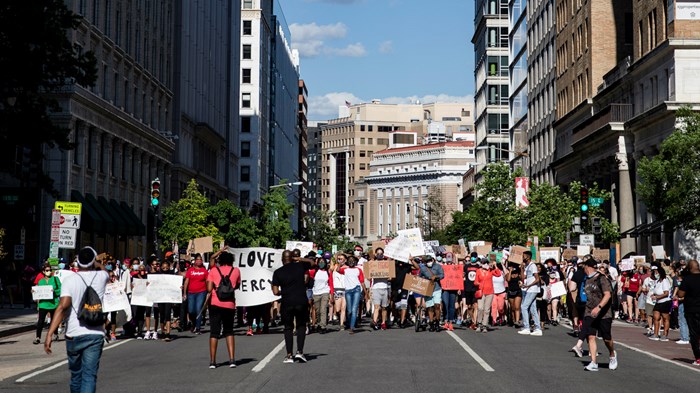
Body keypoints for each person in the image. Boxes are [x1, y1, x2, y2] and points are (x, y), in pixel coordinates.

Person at [44, 246, 110, 393]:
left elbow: (63, 306)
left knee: (76, 376)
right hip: (95, 333)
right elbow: (105, 271)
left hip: (74, 332)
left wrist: (50, 334)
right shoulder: (101, 277)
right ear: (92, 262)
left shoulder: (69, 280)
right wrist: (98, 262)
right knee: (89, 376)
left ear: (77, 262)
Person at [272, 250, 310, 363]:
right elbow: (312, 262)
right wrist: (300, 259)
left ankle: (289, 355)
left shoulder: (278, 272)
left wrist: (281, 293)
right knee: (301, 326)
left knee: (288, 328)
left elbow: (275, 291)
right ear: (292, 258)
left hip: (287, 302)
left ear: (282, 260)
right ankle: (300, 352)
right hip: (301, 301)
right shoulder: (300, 267)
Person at [580, 259, 617, 371]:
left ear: (588, 266)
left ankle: (612, 354)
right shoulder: (587, 280)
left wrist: (599, 307)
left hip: (604, 313)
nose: (583, 269)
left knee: (606, 338)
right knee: (590, 336)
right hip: (589, 311)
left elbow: (607, 295)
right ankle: (593, 362)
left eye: (584, 267)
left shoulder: (601, 278)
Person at [206, 251, 240, 369]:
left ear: (220, 261)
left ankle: (212, 361)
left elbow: (209, 288)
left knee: (214, 332)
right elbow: (236, 285)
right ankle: (232, 359)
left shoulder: (214, 271)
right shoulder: (236, 271)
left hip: (215, 303)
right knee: (229, 331)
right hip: (230, 304)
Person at [335, 255, 368, 333]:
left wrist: (366, 293)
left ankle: (352, 327)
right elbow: (337, 270)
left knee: (354, 309)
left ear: (356, 262)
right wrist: (339, 262)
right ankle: (350, 323)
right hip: (348, 291)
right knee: (349, 310)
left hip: (356, 290)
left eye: (353, 260)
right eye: (349, 260)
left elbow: (362, 282)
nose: (351, 261)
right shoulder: (345, 270)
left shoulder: (358, 270)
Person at [412, 255, 444, 332]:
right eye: (427, 261)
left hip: (436, 288)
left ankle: (437, 322)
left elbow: (442, 275)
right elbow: (420, 276)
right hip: (428, 289)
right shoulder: (423, 268)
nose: (429, 262)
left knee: (437, 305)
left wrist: (436, 277)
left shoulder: (438, 266)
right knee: (430, 307)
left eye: (430, 260)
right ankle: (431, 322)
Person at [676, 259, 700, 366]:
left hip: (691, 309)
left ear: (689, 268)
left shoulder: (687, 279)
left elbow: (680, 294)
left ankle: (698, 358)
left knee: (694, 334)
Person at [33, 264, 61, 345]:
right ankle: (38, 337)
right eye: (47, 270)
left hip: (53, 303)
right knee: (40, 321)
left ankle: (55, 334)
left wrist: (54, 291)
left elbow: (61, 289)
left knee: (53, 320)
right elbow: (38, 292)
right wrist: (34, 293)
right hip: (43, 304)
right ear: (43, 272)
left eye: (50, 270)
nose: (48, 272)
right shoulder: (41, 281)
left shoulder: (55, 279)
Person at [519, 251, 543, 336]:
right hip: (529, 289)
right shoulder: (527, 266)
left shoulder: (533, 266)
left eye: (524, 256)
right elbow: (523, 277)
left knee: (524, 306)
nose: (522, 257)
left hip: (532, 289)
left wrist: (529, 285)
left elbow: (537, 279)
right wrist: (521, 268)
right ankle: (538, 328)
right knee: (533, 308)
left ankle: (527, 327)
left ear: (528, 257)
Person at [184, 254, 208, 334]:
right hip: (191, 293)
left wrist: (208, 292)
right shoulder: (190, 270)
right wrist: (184, 293)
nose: (199, 261)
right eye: (197, 259)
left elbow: (207, 282)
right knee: (191, 310)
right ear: (195, 261)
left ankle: (198, 328)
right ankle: (193, 323)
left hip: (201, 292)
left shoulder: (204, 271)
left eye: (200, 260)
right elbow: (186, 282)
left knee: (198, 309)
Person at [648, 265, 672, 341]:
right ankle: (655, 334)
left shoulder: (665, 281)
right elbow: (656, 291)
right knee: (656, 317)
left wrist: (657, 297)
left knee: (665, 318)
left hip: (665, 302)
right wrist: (654, 295)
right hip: (658, 302)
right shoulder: (657, 281)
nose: (655, 274)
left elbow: (666, 293)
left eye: (656, 272)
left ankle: (665, 334)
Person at [369, 248, 391, 331]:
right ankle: (375, 322)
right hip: (376, 288)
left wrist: (388, 276)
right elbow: (368, 276)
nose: (379, 255)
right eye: (378, 253)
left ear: (383, 254)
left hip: (384, 287)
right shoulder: (372, 264)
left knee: (384, 307)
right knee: (377, 306)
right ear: (375, 254)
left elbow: (390, 277)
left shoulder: (387, 264)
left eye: (381, 253)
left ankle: (383, 322)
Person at [311, 256, 333, 333]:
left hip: (325, 292)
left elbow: (331, 284)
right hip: (316, 293)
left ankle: (323, 326)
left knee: (323, 309)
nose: (321, 263)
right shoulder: (314, 271)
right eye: (320, 262)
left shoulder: (328, 272)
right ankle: (319, 324)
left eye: (323, 262)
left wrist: (332, 295)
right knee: (318, 311)